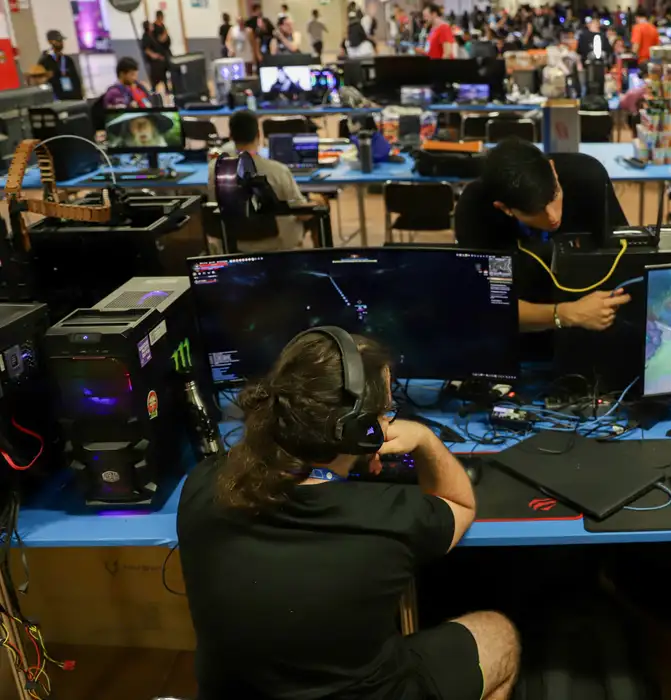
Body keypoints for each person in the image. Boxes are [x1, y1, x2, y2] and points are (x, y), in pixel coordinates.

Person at [177, 330, 520, 700]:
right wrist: (425, 439)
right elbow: (460, 504)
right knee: (500, 633)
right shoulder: (389, 517)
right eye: (384, 412)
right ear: (360, 431)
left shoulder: (204, 484)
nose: (387, 419)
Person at [454, 138, 630, 335]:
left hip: (595, 314)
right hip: (526, 326)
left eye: (554, 196)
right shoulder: (475, 210)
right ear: (505, 209)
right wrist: (565, 314)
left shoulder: (586, 178)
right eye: (535, 211)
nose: (553, 217)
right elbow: (488, 303)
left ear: (553, 170)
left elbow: (624, 256)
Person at [208, 110, 310, 251]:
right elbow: (303, 213)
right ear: (259, 135)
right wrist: (317, 202)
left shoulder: (214, 169)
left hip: (231, 243)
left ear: (231, 136)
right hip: (277, 245)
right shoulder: (278, 170)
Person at [38, 30, 82, 100]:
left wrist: (79, 96)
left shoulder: (67, 60)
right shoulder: (45, 61)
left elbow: (76, 80)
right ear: (50, 41)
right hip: (57, 98)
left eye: (61, 40)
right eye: (58, 41)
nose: (61, 43)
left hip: (72, 97)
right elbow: (41, 81)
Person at [105, 111, 176, 148]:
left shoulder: (163, 148)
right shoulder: (119, 147)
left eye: (143, 123)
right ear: (129, 129)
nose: (141, 129)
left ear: (153, 126)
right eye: (136, 125)